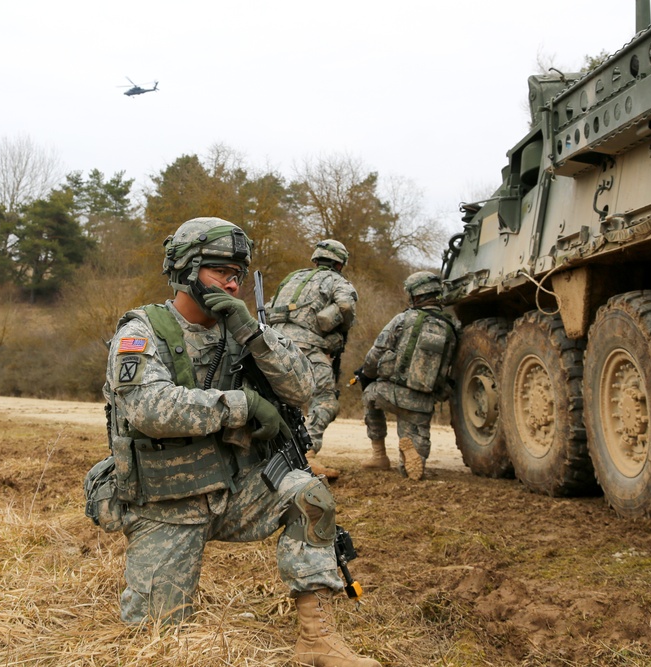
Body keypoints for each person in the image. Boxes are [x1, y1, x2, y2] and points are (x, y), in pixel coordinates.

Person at [102, 217, 378, 667]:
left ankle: (317, 641)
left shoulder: (242, 330)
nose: (231, 285)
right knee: (156, 641)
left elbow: (303, 390)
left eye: (237, 275)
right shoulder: (142, 331)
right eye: (219, 272)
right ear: (188, 271)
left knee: (308, 495)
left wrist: (252, 331)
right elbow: (149, 409)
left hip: (233, 494)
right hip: (167, 503)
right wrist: (243, 406)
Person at [266, 240, 357, 476]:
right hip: (306, 347)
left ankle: (270, 453)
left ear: (315, 259)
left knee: (276, 400)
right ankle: (306, 454)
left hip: (272, 344)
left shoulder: (291, 278)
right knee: (326, 400)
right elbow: (346, 306)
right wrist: (338, 326)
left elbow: (269, 308)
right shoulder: (337, 281)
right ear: (339, 263)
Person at [358, 271, 459, 480]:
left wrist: (366, 375)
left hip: (390, 394)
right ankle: (412, 458)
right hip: (422, 405)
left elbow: (375, 354)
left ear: (414, 296)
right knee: (412, 463)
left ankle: (379, 455)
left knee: (369, 394)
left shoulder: (403, 319)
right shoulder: (453, 329)